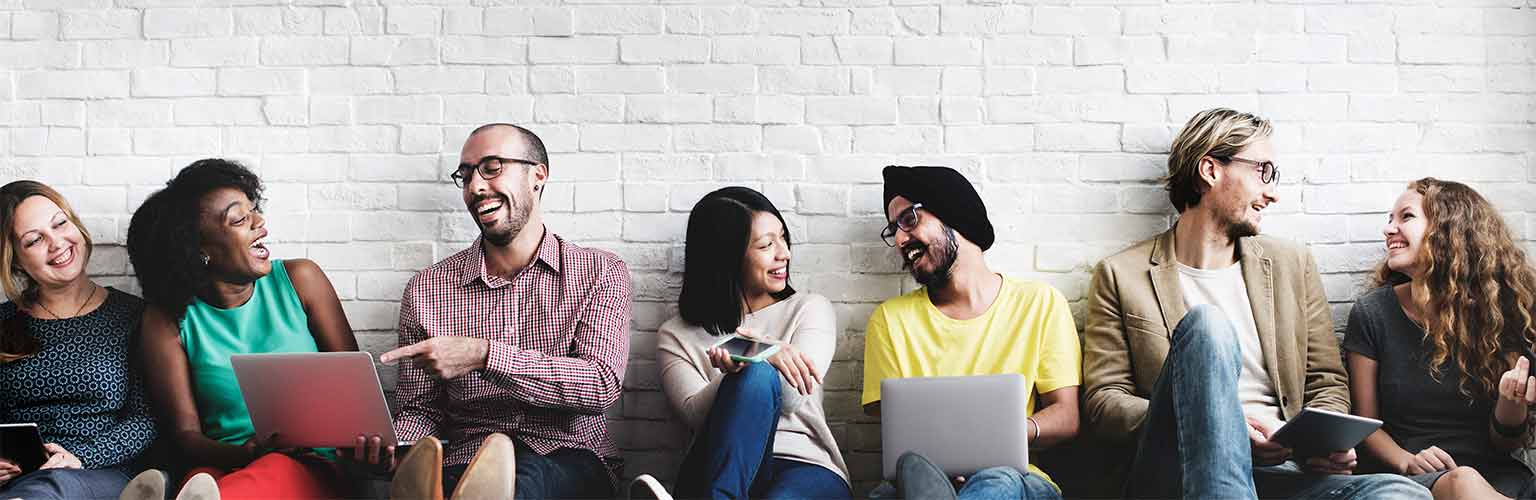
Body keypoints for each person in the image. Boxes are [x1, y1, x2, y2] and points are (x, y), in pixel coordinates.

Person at [1080, 108, 1429, 499]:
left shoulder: (1292, 265)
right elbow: (1103, 403)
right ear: (1210, 170)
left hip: (1285, 469)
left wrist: (1321, 441)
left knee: (1402, 494)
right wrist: (1219, 422)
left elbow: (1327, 382)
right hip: (1177, 472)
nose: (1272, 192)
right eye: (1263, 171)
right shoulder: (1121, 274)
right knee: (1207, 326)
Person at [380, 123, 632, 500]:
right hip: (464, 459)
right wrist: (393, 446)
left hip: (569, 455)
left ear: (537, 176)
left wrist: (484, 355)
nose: (476, 187)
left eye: (492, 167)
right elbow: (421, 410)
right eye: (465, 176)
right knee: (445, 484)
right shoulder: (427, 290)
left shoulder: (599, 272)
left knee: (522, 483)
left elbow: (600, 384)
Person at [127, 159, 374, 499]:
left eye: (254, 210)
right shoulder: (167, 319)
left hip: (312, 462)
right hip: (225, 461)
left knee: (261, 476)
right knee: (201, 481)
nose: (261, 224)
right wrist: (247, 453)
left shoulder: (301, 280)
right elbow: (186, 436)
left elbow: (358, 396)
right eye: (240, 219)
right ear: (200, 250)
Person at [862, 166, 1081, 500]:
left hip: (1018, 479)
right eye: (894, 230)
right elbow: (899, 440)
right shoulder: (890, 321)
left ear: (953, 214)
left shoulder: (1039, 303)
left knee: (996, 482)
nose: (900, 240)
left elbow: (1066, 416)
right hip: (926, 480)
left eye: (908, 220)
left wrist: (1012, 433)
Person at [1345, 178, 1536, 499]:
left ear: (1448, 229)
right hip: (1411, 476)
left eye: (1405, 217)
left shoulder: (1503, 313)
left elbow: (1506, 444)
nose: (1389, 229)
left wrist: (1509, 403)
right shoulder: (1373, 313)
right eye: (1389, 219)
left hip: (1497, 476)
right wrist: (1406, 461)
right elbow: (1364, 425)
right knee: (1463, 480)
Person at [657, 187, 850, 499]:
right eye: (766, 245)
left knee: (756, 373)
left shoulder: (809, 309)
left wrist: (757, 351)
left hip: (802, 466)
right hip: (721, 463)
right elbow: (694, 415)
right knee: (754, 372)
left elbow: (793, 398)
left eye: (783, 238)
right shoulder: (676, 334)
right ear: (727, 256)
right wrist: (747, 358)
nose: (784, 253)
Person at [0, 181, 157, 500]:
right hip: (23, 479)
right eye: (34, 240)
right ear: (15, 260)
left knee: (52, 488)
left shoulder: (135, 316)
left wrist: (80, 457)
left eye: (60, 224)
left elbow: (147, 418)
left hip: (105, 472)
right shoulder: (4, 322)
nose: (56, 242)